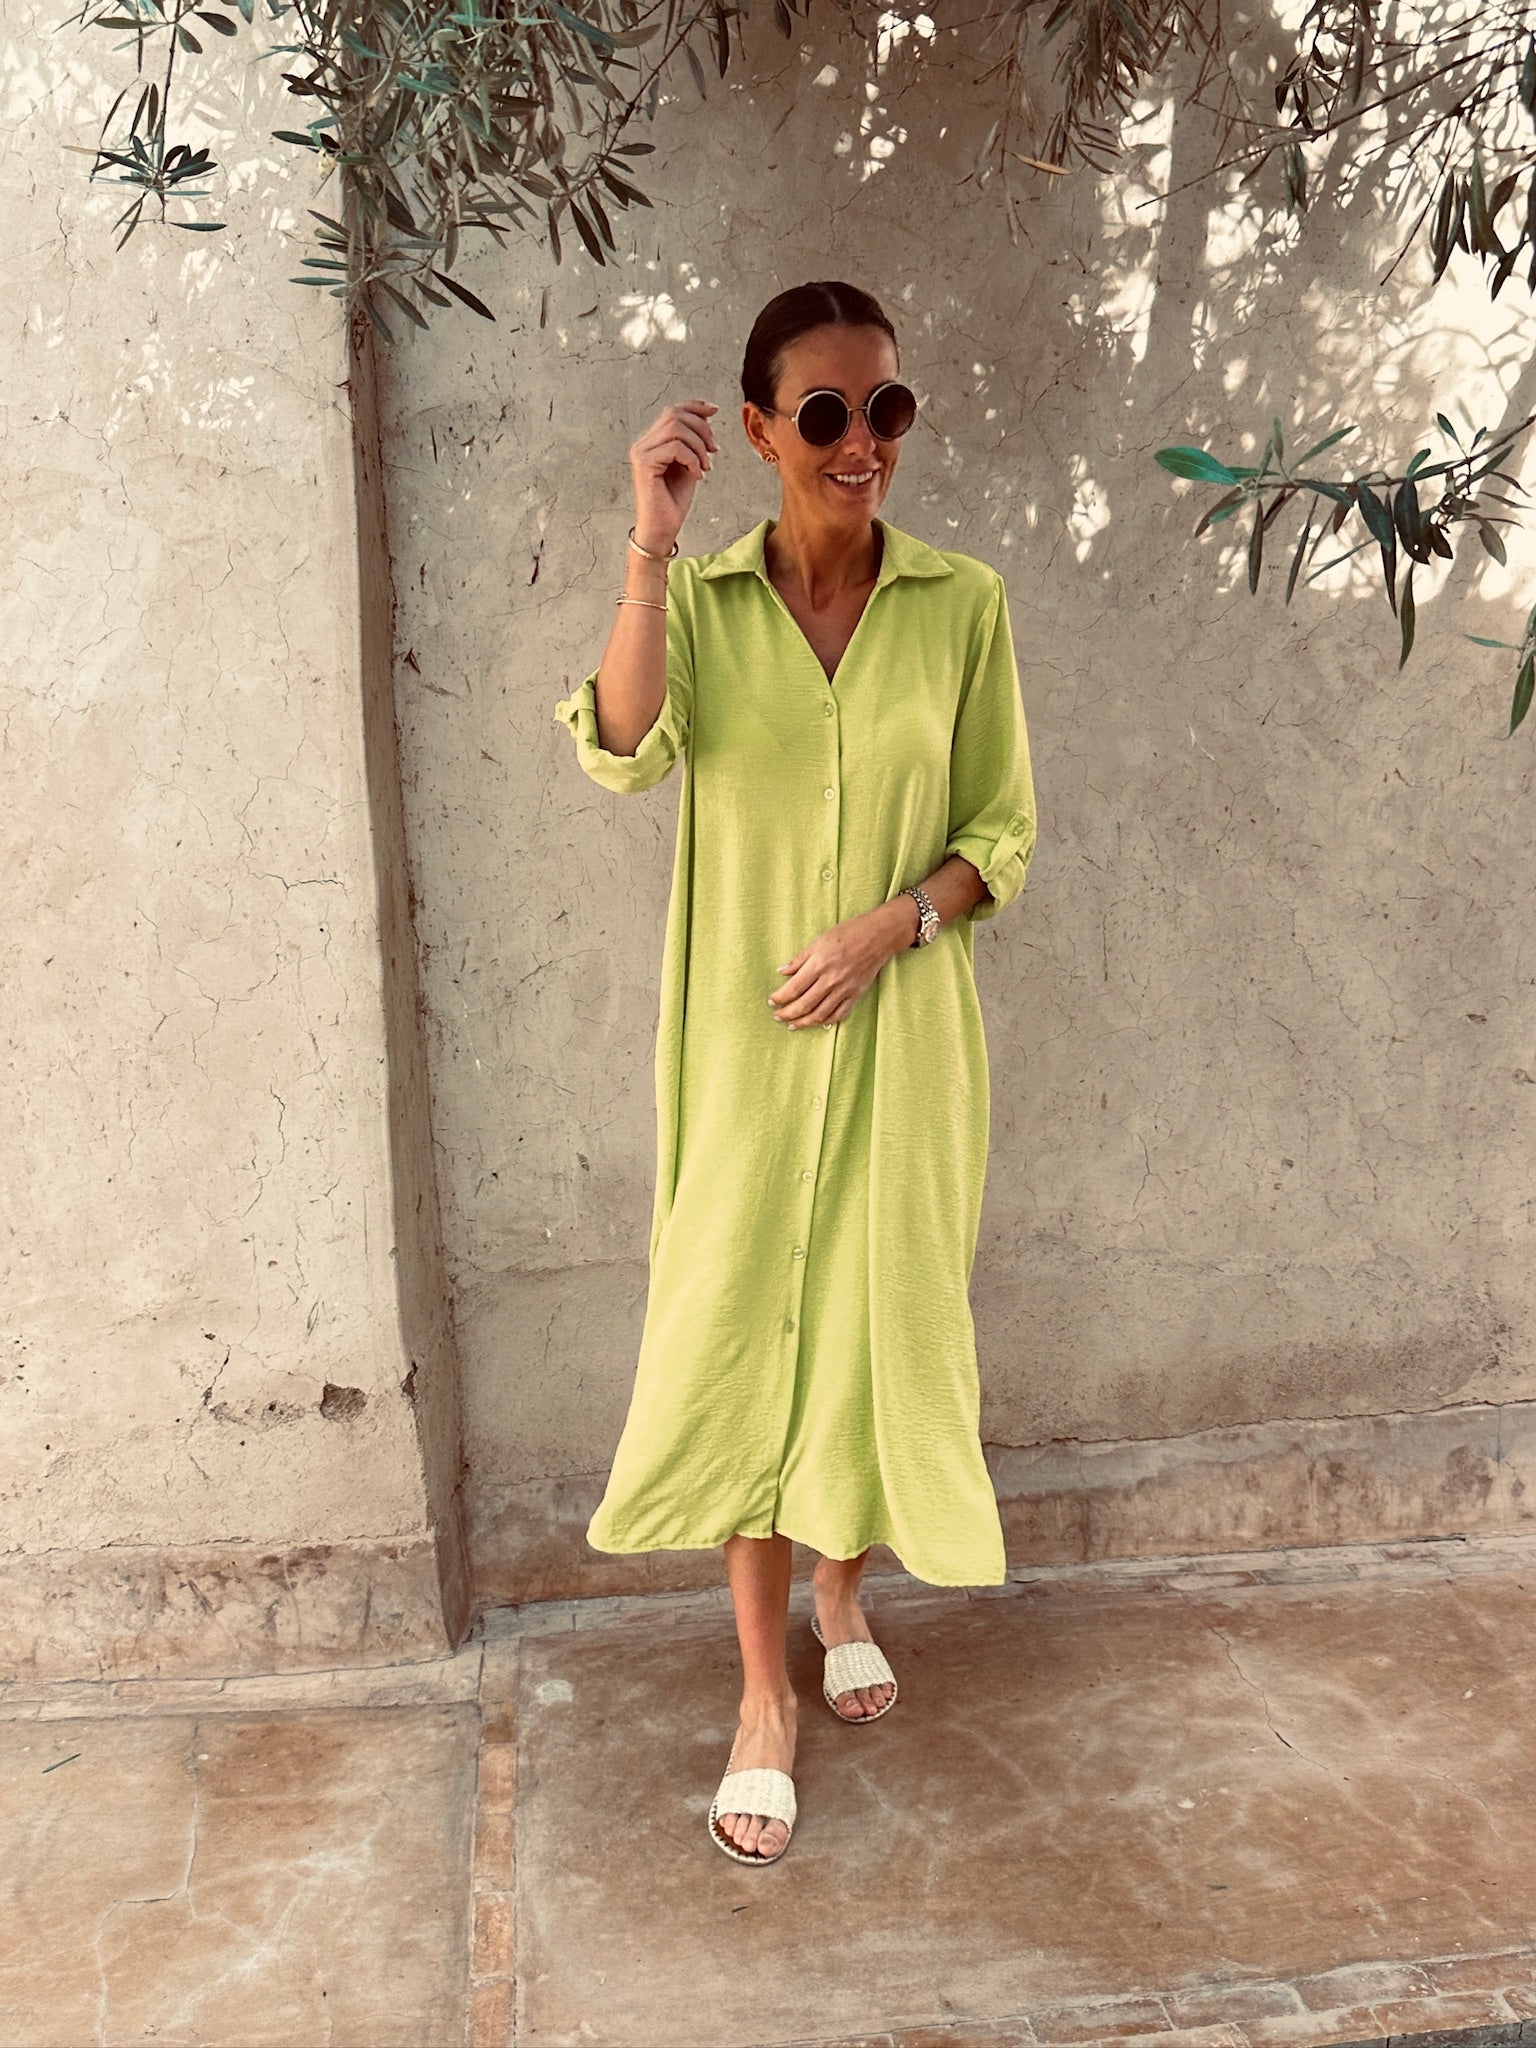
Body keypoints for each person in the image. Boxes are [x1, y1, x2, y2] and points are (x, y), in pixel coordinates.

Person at [552, 280, 1038, 1866]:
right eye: (823, 413)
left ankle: (843, 1593)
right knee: (745, 1339)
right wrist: (650, 544)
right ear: (759, 431)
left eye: (885, 407)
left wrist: (893, 925)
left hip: (904, 1045)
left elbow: (999, 834)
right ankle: (765, 1696)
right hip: (747, 1050)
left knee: (871, 1332)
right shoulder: (700, 607)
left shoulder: (961, 605)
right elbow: (623, 746)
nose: (860, 440)